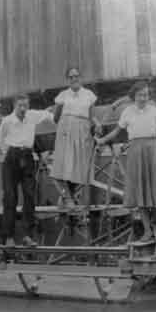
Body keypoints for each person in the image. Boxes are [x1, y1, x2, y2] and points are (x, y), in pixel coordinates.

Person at [96, 81, 156, 248]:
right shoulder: (127, 111)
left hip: (153, 152)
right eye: (140, 95)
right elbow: (117, 131)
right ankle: (147, 231)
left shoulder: (155, 110)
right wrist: (102, 140)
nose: (143, 98)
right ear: (134, 96)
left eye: (145, 95)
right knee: (140, 195)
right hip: (136, 153)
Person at [0, 94, 54, 247]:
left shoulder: (32, 115)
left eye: (25, 106)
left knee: (29, 196)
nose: (23, 109)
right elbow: (0, 139)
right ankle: (9, 237)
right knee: (10, 197)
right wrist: (9, 153)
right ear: (14, 106)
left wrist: (58, 108)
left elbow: (49, 114)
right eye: (20, 106)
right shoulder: (7, 121)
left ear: (28, 106)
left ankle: (27, 236)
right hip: (12, 158)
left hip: (28, 157)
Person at [51, 67, 102, 207]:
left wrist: (97, 124)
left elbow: (91, 116)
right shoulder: (63, 95)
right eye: (71, 77)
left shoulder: (89, 95)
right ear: (67, 80)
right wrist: (67, 122)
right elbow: (56, 118)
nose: (74, 79)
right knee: (65, 165)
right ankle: (68, 198)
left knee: (78, 167)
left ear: (81, 77)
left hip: (83, 131)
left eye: (76, 76)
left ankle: (70, 197)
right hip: (66, 131)